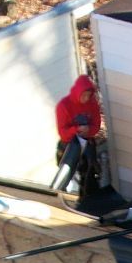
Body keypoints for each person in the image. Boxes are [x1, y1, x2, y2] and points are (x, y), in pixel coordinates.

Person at [53, 74, 104, 209]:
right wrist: (76, 129)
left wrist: (88, 130)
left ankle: (87, 199)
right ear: (78, 93)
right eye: (84, 95)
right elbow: (62, 132)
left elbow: (96, 125)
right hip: (69, 143)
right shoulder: (64, 105)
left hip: (86, 141)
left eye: (88, 95)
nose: (86, 98)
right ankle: (63, 192)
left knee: (89, 170)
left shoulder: (92, 104)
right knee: (68, 169)